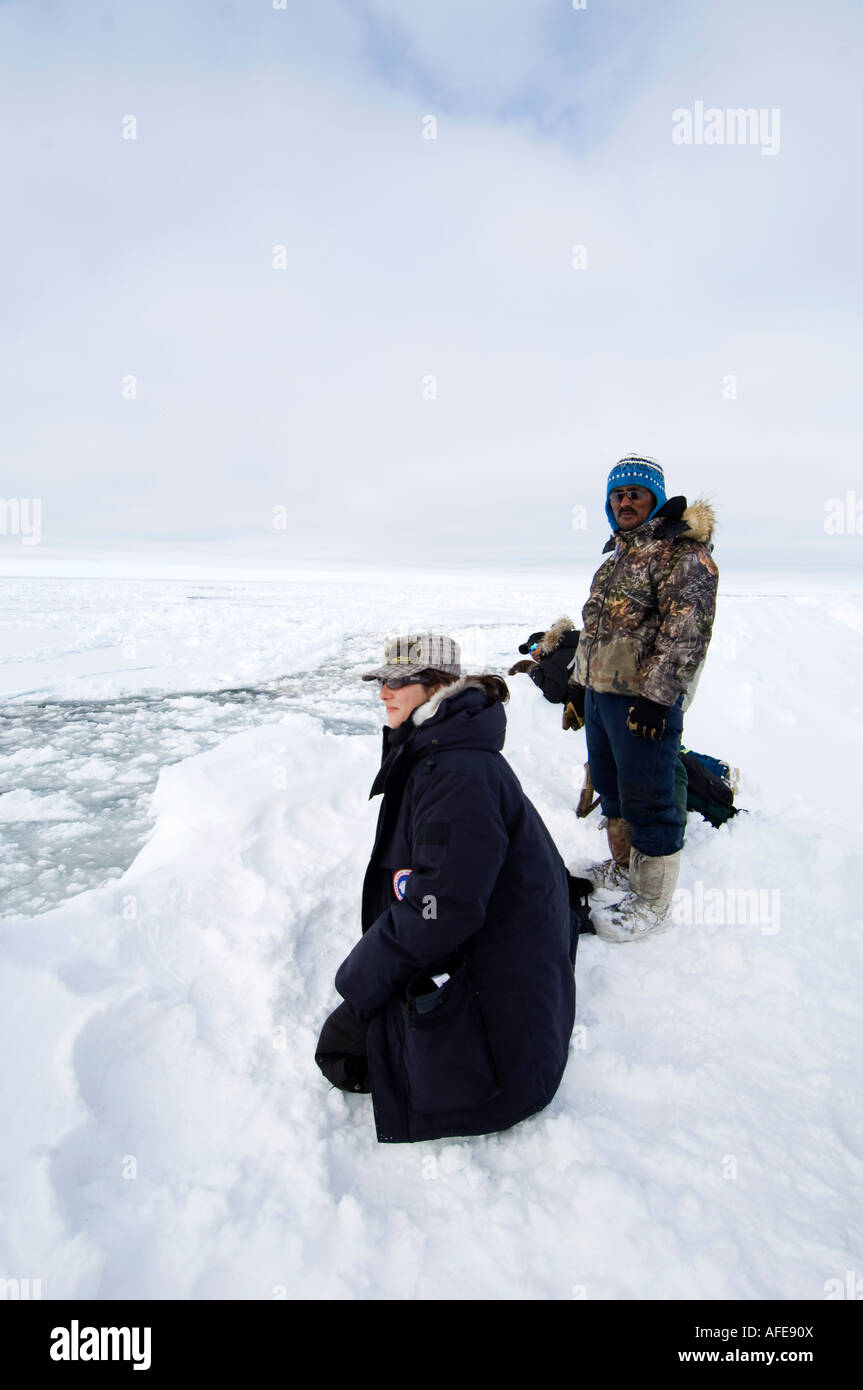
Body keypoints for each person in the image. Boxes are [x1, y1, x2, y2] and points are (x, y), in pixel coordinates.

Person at [315, 632, 579, 1144]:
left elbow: (442, 908)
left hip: (507, 995)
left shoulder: (455, 773)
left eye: (396, 682)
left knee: (343, 1051)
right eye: (380, 682)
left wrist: (360, 988)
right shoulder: (442, 749)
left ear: (435, 685)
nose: (383, 693)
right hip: (492, 939)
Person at [569, 454, 719, 943]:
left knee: (649, 796)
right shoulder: (615, 557)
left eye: (635, 492)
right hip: (601, 697)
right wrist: (577, 684)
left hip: (642, 702)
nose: (625, 501)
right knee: (613, 789)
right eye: (617, 494)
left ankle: (652, 900)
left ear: (655, 498)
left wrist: (657, 700)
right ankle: (624, 867)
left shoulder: (680, 552)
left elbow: (686, 632)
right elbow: (594, 630)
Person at [509, 618, 738, 831]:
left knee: (660, 756)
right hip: (635, 693)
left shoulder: (552, 660)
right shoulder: (580, 639)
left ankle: (707, 790)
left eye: (532, 649)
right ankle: (718, 773)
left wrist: (534, 671)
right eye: (529, 653)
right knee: (666, 747)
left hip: (612, 705)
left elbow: (554, 692)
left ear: (544, 643)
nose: (533, 655)